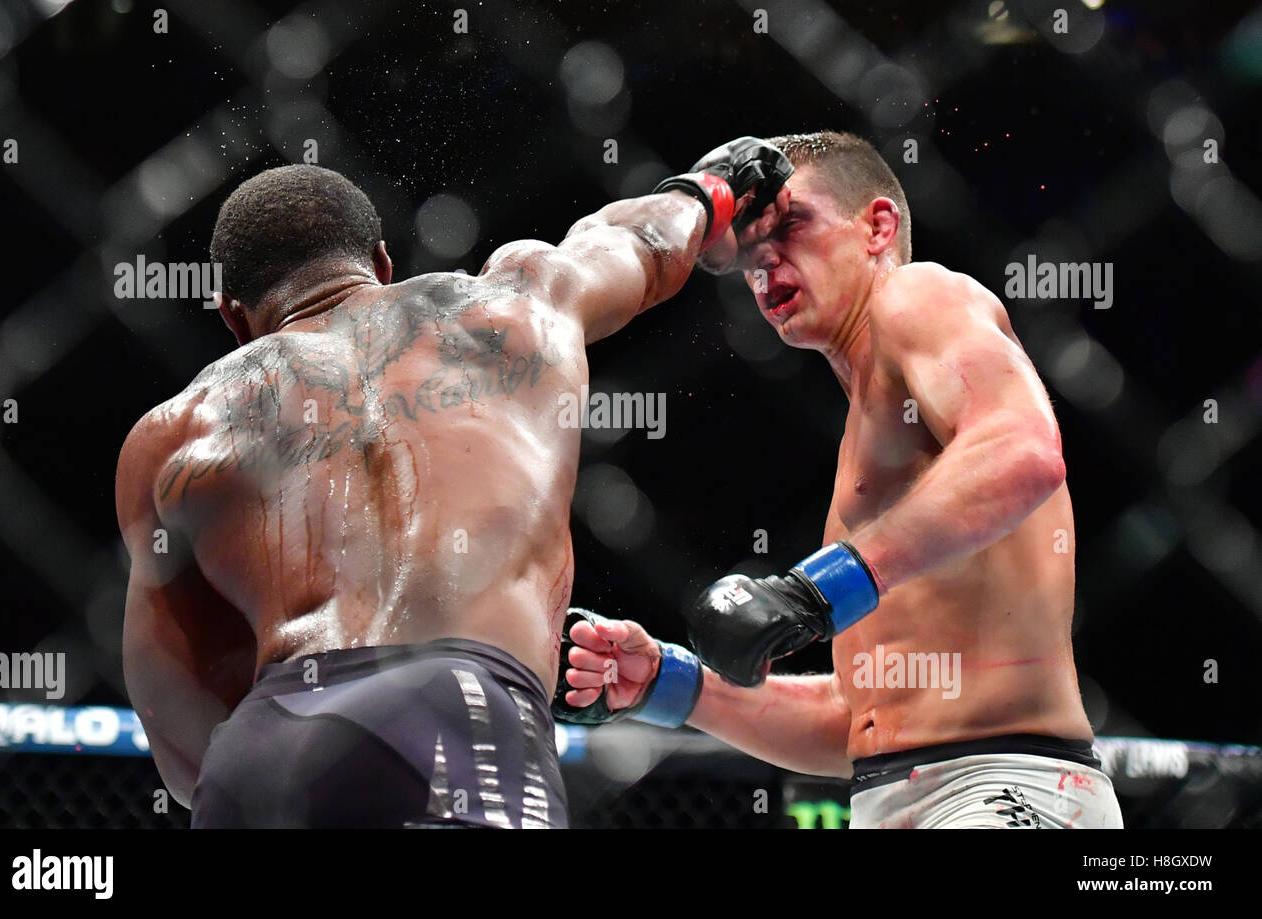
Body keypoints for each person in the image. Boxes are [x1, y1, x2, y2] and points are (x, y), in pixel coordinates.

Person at [115, 142, 791, 827]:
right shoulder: (513, 303)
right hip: (450, 712)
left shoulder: (174, 432)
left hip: (263, 756)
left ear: (233, 317)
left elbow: (180, 732)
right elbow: (640, 239)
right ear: (381, 263)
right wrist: (710, 190)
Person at [554, 131, 1123, 829]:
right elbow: (863, 719)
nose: (765, 260)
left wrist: (813, 590)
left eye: (790, 225)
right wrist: (671, 683)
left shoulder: (919, 295)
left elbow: (1025, 449)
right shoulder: (875, 429)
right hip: (899, 796)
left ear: (877, 226)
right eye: (750, 248)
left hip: (1003, 788)